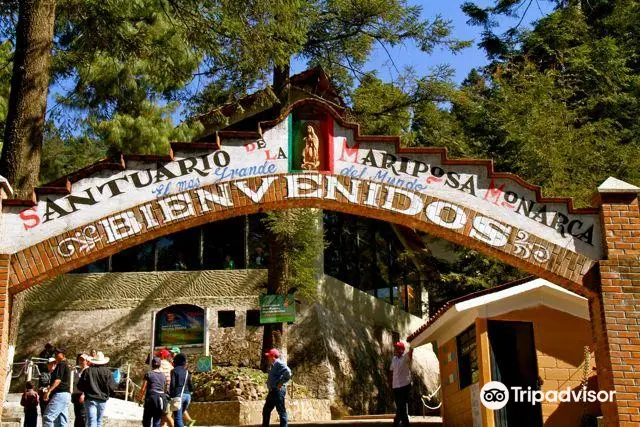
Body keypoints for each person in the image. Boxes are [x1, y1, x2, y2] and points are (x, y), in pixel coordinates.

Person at [78, 351, 117, 427]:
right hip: (102, 399)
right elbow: (112, 387)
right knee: (99, 421)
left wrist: (86, 391)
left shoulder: (87, 371)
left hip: (90, 399)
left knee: (91, 420)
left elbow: (80, 386)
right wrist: (107, 394)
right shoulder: (108, 372)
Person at [262, 348, 291, 427]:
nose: (268, 358)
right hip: (272, 391)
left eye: (269, 356)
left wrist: (281, 383)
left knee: (281, 411)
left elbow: (288, 372)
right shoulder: (274, 365)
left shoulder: (278, 363)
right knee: (266, 410)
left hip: (278, 391)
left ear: (272, 356)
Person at [138, 357, 171, 427]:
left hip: (150, 399)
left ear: (152, 365)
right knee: (157, 421)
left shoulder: (148, 374)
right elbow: (165, 389)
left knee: (146, 421)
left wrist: (140, 399)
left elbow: (143, 388)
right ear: (159, 365)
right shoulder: (163, 375)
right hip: (160, 400)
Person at [43, 348, 72, 427]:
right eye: (55, 353)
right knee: (61, 421)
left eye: (58, 353)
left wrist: (49, 391)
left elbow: (58, 380)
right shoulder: (63, 364)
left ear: (63, 355)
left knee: (48, 418)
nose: (56, 354)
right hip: (65, 395)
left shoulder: (62, 364)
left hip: (60, 394)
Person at [389, 341, 413, 427]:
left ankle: (397, 423)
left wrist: (412, 344)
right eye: (395, 348)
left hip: (405, 386)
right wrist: (390, 384)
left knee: (401, 406)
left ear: (402, 350)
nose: (395, 349)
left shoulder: (405, 357)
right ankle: (403, 423)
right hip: (395, 387)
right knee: (400, 407)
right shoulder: (394, 359)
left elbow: (411, 352)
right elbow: (391, 371)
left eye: (398, 348)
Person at [169, 353, 196, 427]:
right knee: (180, 416)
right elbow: (191, 385)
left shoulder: (174, 371)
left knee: (177, 419)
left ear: (176, 362)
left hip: (179, 396)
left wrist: (171, 396)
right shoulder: (187, 372)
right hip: (187, 396)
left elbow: (172, 385)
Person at [71, 354, 89, 427]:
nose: (81, 361)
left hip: (82, 395)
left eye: (83, 360)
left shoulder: (88, 370)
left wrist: (84, 394)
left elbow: (88, 384)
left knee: (82, 416)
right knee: (78, 415)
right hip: (76, 394)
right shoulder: (79, 370)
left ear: (87, 361)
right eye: (80, 359)